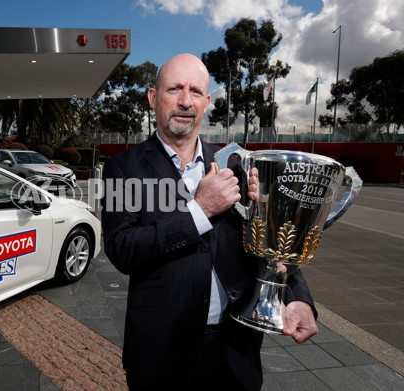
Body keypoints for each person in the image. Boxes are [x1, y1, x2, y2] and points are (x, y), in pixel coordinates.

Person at [101, 53, 318, 390]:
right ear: (153, 97)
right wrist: (199, 210)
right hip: (162, 350)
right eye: (174, 89)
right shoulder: (122, 168)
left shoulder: (234, 162)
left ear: (207, 102)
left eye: (195, 91)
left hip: (234, 350)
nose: (185, 101)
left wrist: (298, 296)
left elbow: (270, 240)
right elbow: (121, 249)